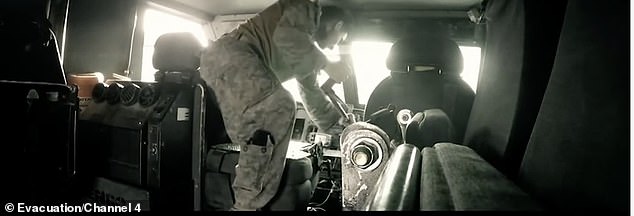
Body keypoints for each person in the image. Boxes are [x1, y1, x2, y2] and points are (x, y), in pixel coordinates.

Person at [199, 0, 353, 211]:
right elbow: (286, 37)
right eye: (340, 39)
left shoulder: (305, 51)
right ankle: (246, 206)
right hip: (230, 56)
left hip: (227, 65)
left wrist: (339, 127)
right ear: (338, 26)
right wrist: (328, 64)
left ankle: (245, 201)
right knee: (279, 106)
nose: (334, 46)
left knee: (256, 138)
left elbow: (311, 92)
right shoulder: (308, 9)